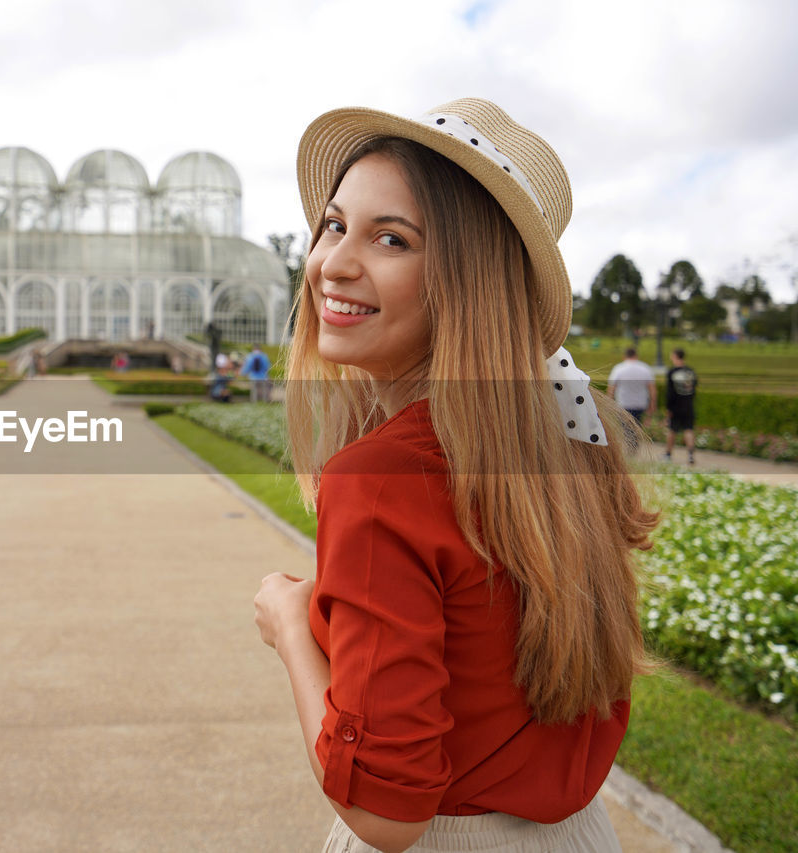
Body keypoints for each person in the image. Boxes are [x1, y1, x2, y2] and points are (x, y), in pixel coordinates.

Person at [253, 99, 658, 853]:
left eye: (392, 239)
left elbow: (387, 811)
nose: (333, 263)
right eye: (334, 225)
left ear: (466, 284)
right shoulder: (573, 436)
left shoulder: (383, 479)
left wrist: (289, 629)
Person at [607, 347, 656, 429]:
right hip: (640, 404)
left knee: (626, 430)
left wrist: (609, 404)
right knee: (637, 429)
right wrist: (652, 405)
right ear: (636, 356)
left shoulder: (618, 369)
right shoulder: (646, 368)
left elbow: (611, 389)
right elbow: (652, 390)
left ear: (624, 356)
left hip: (623, 404)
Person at [664, 348, 698, 465]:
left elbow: (670, 392)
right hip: (688, 404)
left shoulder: (672, 372)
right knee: (689, 429)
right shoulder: (690, 371)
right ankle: (690, 454)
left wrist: (668, 407)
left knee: (672, 430)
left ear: (674, 356)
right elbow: (694, 388)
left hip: (675, 406)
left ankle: (668, 454)